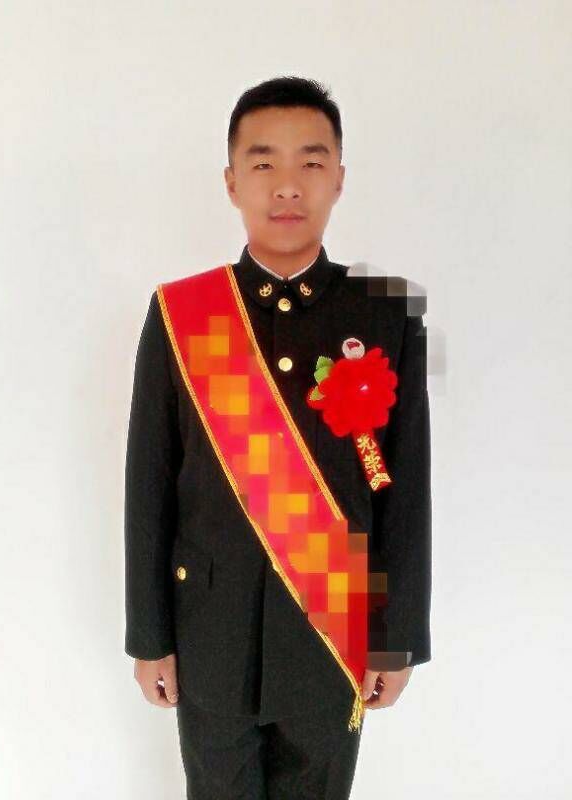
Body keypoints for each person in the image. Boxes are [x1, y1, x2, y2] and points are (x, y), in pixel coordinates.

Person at [124, 75, 432, 799]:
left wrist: (398, 636)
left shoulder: (384, 313)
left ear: (339, 178)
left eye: (311, 162)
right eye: (264, 163)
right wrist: (149, 635)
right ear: (232, 181)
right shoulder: (183, 312)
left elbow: (405, 489)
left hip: (332, 632)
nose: (288, 186)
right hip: (209, 633)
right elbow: (149, 483)